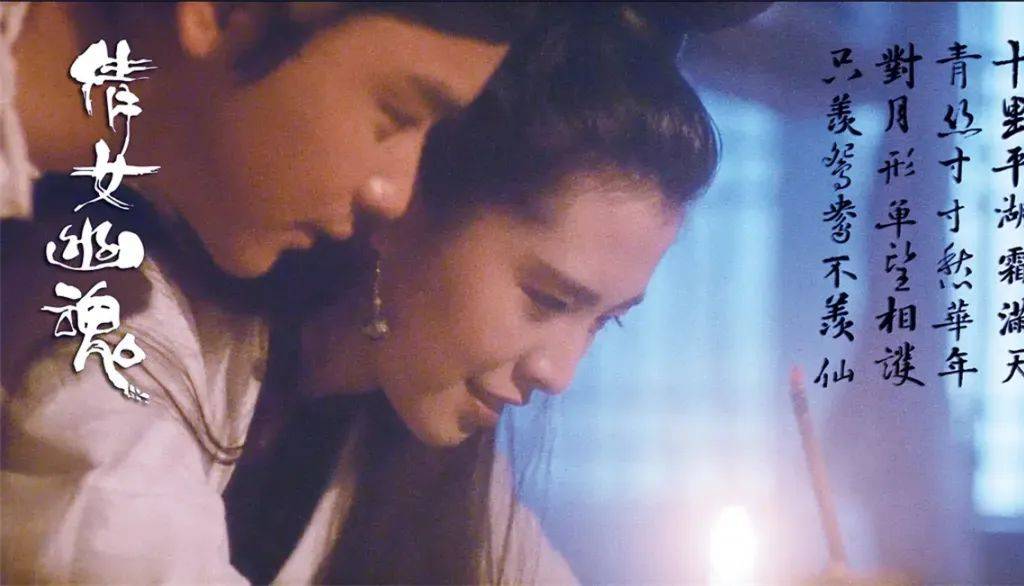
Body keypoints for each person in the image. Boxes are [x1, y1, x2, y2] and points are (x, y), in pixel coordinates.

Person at [226, 11, 721, 584]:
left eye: (603, 321)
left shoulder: (444, 478)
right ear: (411, 202)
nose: (559, 374)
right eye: (548, 299)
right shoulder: (168, 335)